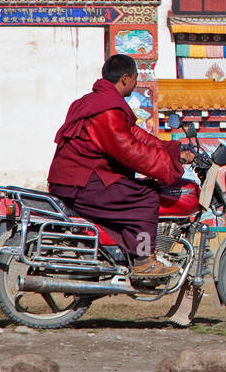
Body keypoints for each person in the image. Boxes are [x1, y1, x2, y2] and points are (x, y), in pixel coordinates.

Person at [48, 54, 194, 280]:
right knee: (147, 196)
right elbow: (128, 150)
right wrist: (170, 164)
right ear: (125, 78)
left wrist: (173, 150)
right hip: (82, 182)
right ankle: (144, 260)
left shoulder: (99, 102)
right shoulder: (106, 110)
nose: (136, 84)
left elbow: (135, 136)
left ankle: (128, 254)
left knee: (140, 189)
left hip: (80, 179)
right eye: (135, 78)